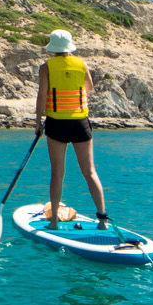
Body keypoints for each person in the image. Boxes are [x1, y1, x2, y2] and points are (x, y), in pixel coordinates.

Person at [37, 29, 108, 227]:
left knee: (57, 173)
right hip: (80, 123)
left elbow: (41, 96)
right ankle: (102, 219)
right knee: (90, 172)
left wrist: (37, 122)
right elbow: (90, 87)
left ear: (53, 48)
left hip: (56, 122)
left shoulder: (46, 67)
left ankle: (53, 223)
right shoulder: (81, 64)